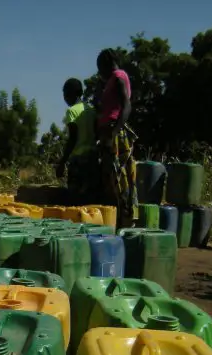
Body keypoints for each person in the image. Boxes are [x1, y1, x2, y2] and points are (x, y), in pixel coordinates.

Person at [95, 48, 135, 228]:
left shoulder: (118, 77)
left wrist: (115, 131)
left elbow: (126, 106)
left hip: (114, 133)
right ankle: (117, 220)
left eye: (100, 67)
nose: (99, 72)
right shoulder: (111, 80)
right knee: (110, 178)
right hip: (108, 132)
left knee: (118, 178)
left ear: (107, 63)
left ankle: (125, 221)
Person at [56, 78, 98, 204]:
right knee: (90, 199)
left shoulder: (72, 111)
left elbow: (73, 138)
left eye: (65, 93)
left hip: (78, 161)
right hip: (93, 159)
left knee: (75, 199)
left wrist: (62, 162)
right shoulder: (91, 110)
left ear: (70, 94)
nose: (64, 97)